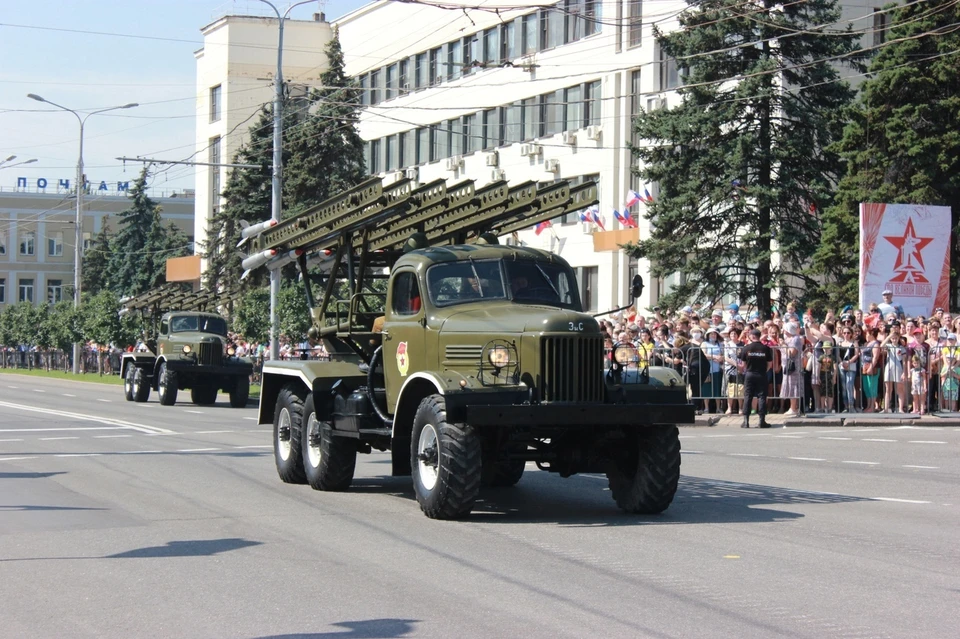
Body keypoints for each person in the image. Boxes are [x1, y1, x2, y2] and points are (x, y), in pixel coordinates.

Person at [741, 329, 773, 428]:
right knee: (762, 396)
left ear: (752, 336)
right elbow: (769, 364)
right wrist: (763, 370)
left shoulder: (746, 348)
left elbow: (743, 364)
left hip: (749, 374)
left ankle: (746, 421)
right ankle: (761, 421)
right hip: (761, 374)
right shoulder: (766, 349)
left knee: (748, 396)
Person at [780, 322, 804, 416]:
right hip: (788, 367)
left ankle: (793, 408)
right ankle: (793, 407)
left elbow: (791, 353)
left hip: (793, 367)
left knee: (793, 387)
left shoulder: (796, 339)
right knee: (790, 386)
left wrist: (783, 345)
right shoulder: (790, 339)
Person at [860, 327, 881, 413]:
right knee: (866, 387)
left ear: (872, 334)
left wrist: (871, 367)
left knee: (872, 386)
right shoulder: (866, 343)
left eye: (868, 334)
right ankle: (868, 405)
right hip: (864, 367)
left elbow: (875, 357)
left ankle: (872, 406)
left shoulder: (875, 344)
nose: (866, 335)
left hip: (872, 367)